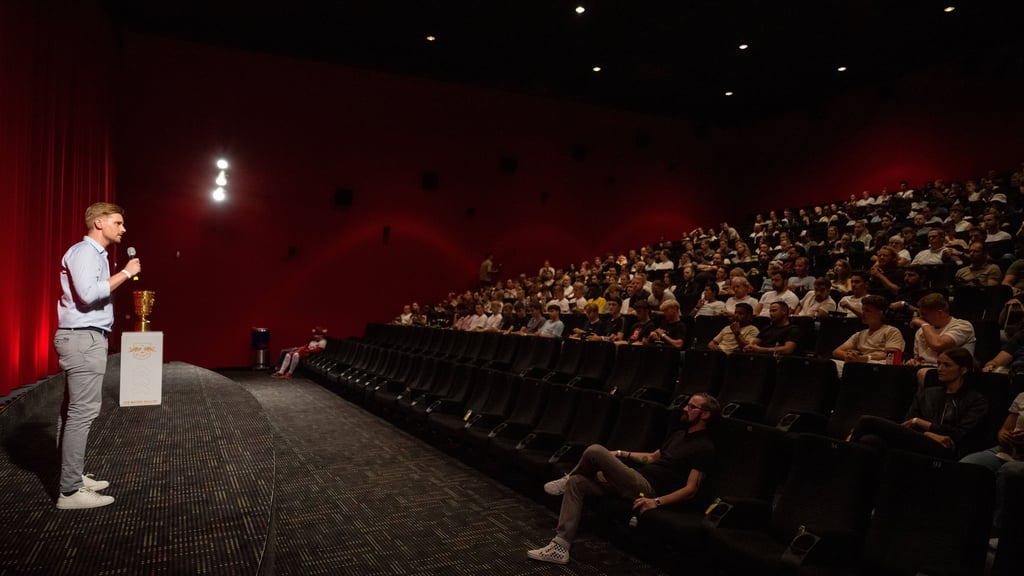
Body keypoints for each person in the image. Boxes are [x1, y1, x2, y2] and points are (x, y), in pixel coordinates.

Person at [527, 393, 720, 565]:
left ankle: (568, 475)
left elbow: (691, 489)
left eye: (692, 407)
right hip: (637, 478)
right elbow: (652, 457)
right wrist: (620, 453)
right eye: (687, 404)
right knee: (577, 483)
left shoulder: (705, 447)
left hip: (648, 488)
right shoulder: (678, 435)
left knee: (594, 450)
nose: (685, 408)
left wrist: (656, 502)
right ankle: (560, 546)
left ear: (705, 414)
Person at [53, 202, 141, 510]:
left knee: (72, 411)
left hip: (86, 337)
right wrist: (126, 274)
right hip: (83, 338)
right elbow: (88, 294)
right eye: (118, 222)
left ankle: (70, 476)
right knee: (81, 413)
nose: (123, 228)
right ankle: (70, 491)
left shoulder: (94, 255)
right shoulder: (85, 252)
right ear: (99, 223)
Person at [850, 348, 988, 460]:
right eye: (939, 363)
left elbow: (959, 435)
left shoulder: (975, 400)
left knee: (866, 421)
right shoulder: (928, 393)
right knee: (870, 440)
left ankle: (842, 459)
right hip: (921, 440)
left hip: (947, 449)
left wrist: (920, 422)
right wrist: (928, 434)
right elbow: (907, 423)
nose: (939, 368)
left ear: (963, 370)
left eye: (946, 365)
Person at [960, 390, 1024, 535]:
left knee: (1010, 471)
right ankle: (962, 521)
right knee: (968, 464)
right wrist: (1004, 436)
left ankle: (997, 531)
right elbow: (1004, 429)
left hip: (1018, 460)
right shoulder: (1022, 396)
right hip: (1009, 450)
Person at [905, 293, 977, 387]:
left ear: (940, 313)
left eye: (924, 314)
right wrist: (915, 361)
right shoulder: (921, 331)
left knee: (924, 373)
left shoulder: (963, 326)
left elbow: (937, 345)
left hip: (951, 371)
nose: (921, 318)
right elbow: (918, 358)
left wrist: (924, 325)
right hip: (924, 368)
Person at [832, 295, 905, 373]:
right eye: (863, 310)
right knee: (830, 364)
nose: (863, 313)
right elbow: (836, 351)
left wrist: (865, 358)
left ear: (880, 313)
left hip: (879, 367)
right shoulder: (860, 334)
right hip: (859, 363)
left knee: (858, 367)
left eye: (867, 310)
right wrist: (849, 355)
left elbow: (891, 356)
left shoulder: (891, 331)